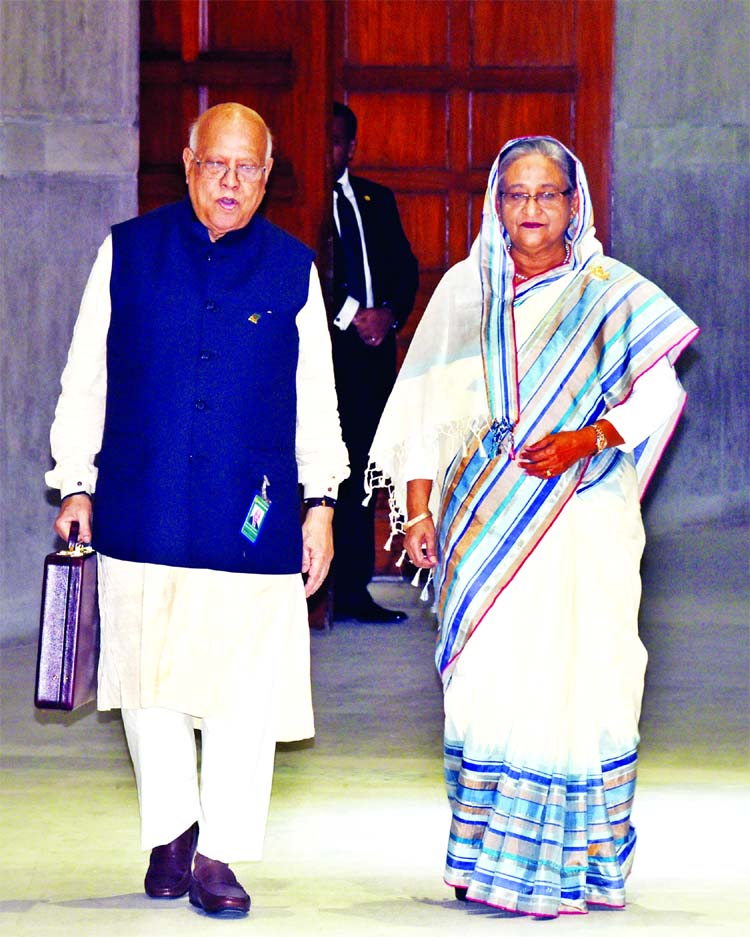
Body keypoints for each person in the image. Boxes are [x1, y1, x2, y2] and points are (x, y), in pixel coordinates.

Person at [367, 136, 698, 918]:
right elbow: (427, 414)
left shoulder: (612, 293)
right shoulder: (463, 293)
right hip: (482, 524)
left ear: (574, 203)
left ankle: (575, 864)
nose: (532, 211)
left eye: (548, 195)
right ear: (496, 203)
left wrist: (589, 438)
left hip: (581, 521)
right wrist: (419, 510)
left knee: (582, 680)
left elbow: (659, 397)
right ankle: (485, 855)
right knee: (486, 684)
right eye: (515, 195)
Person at [46, 103, 349, 917]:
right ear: (187, 164)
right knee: (148, 684)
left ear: (267, 176)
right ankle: (173, 826)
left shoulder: (294, 271)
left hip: (250, 516)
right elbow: (86, 378)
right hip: (140, 507)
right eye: (216, 164)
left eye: (248, 168)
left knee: (243, 693)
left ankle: (219, 852)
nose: (230, 182)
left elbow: (315, 399)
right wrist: (74, 480)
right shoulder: (127, 253)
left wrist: (320, 502)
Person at [329, 101, 419, 623]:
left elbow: (404, 269)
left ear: (352, 147)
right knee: (320, 472)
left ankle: (354, 588)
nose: (332, 151)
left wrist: (387, 316)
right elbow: (314, 271)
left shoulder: (374, 199)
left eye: (339, 141)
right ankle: (313, 585)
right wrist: (353, 317)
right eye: (325, 141)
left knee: (362, 471)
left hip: (372, 361)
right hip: (327, 356)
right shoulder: (297, 202)